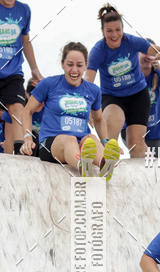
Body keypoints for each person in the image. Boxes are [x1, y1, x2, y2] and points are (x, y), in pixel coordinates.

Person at [20, 41, 119, 178]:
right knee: (69, 140)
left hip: (82, 144)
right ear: (62, 64)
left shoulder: (93, 90)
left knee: (91, 138)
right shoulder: (48, 84)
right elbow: (27, 111)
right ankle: (84, 167)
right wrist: (27, 138)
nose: (74, 70)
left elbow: (99, 119)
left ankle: (105, 164)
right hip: (51, 144)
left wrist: (106, 141)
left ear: (86, 66)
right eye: (70, 64)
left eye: (79, 65)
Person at [85, 5, 160, 158]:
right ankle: (105, 162)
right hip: (112, 96)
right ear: (103, 32)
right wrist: (89, 108)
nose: (114, 34)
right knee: (111, 130)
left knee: (136, 143)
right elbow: (88, 82)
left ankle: (146, 177)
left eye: (118, 30)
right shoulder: (98, 50)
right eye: (109, 31)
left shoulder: (131, 41)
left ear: (123, 29)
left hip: (138, 95)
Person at [0, 0, 43, 154]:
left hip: (13, 73)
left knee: (18, 108)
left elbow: (25, 41)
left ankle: (19, 154)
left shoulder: (24, 10)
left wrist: (35, 69)